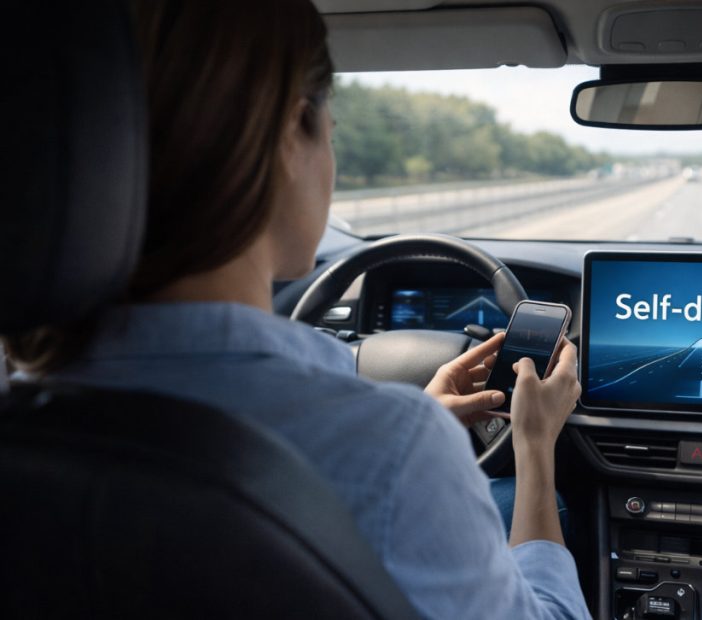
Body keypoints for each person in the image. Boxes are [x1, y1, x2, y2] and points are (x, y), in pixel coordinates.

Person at [2, 1, 589, 618]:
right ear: (290, 133)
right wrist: (533, 446)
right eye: (330, 134)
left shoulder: (25, 422)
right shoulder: (393, 451)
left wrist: (418, 418)